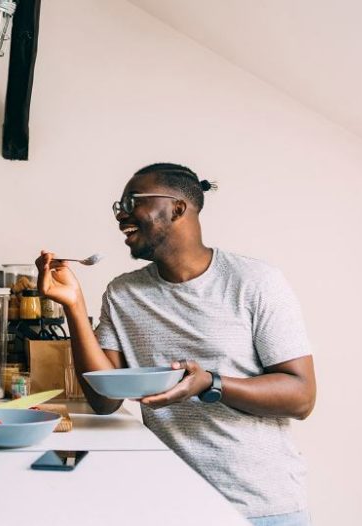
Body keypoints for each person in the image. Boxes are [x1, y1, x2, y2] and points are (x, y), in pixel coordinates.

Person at [36, 163, 316, 525]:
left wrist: (210, 384)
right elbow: (104, 400)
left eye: (131, 201)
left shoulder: (255, 282)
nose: (121, 214)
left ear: (178, 208)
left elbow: (302, 396)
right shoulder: (124, 293)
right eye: (118, 205)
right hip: (170, 503)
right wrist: (74, 305)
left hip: (260, 507)